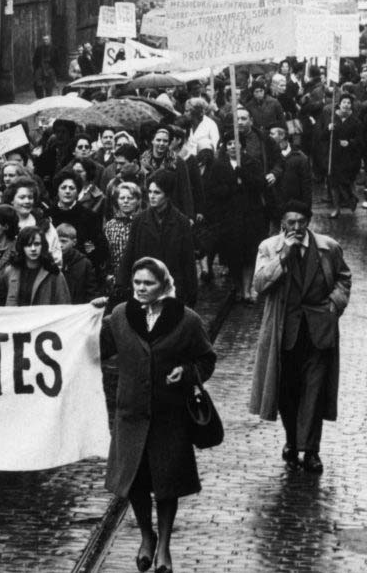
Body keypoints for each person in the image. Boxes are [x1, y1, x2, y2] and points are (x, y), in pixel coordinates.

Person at [102, 257, 216, 573]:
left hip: (170, 415)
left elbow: (207, 359)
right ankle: (145, 536)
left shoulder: (187, 320)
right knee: (136, 482)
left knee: (166, 483)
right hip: (131, 413)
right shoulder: (120, 316)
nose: (140, 288)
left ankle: (164, 545)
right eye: (137, 282)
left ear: (162, 284)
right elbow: (100, 349)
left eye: (148, 283)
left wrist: (188, 372)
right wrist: (90, 318)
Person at [249, 200, 351, 475]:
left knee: (314, 393)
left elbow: (344, 277)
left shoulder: (328, 247)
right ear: (282, 222)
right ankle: (292, 441)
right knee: (287, 391)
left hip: (318, 332)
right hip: (284, 332)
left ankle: (312, 451)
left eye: (300, 222)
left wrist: (334, 303)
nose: (295, 227)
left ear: (309, 221)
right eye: (290, 222)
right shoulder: (269, 247)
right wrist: (284, 257)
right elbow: (259, 284)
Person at [116, 170, 198, 307]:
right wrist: (120, 284)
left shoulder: (181, 222)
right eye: (150, 192)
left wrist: (191, 292)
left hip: (171, 288)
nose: (152, 196)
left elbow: (188, 260)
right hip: (144, 287)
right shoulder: (140, 220)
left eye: (157, 193)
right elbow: (129, 254)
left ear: (167, 195)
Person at [204, 132, 266, 302]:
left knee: (248, 254)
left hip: (250, 216)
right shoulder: (218, 165)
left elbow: (260, 184)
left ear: (242, 146)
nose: (232, 146)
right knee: (233, 255)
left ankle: (247, 290)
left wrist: (243, 175)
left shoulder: (252, 163)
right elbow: (211, 190)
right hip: (229, 218)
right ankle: (238, 287)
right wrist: (229, 187)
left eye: (235, 143)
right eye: (229, 143)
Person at [3, 226, 71, 306]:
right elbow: (0, 303)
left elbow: (64, 305)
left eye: (37, 244)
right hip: (16, 317)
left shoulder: (54, 274)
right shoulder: (10, 271)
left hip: (44, 317)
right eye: (28, 245)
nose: (33, 249)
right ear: (21, 247)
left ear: (43, 246)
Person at [326, 93, 361, 218]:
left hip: (349, 157)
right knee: (333, 183)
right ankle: (336, 208)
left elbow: (360, 139)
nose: (346, 105)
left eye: (348, 103)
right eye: (344, 102)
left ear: (351, 106)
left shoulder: (355, 121)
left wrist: (349, 143)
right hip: (334, 155)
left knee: (345, 181)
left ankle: (351, 198)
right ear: (339, 104)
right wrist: (328, 129)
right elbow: (323, 137)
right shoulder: (332, 119)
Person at [267, 124, 313, 218]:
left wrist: (306, 207)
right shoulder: (267, 156)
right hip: (273, 207)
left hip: (294, 207)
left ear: (282, 136)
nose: (269, 137)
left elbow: (306, 185)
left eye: (272, 134)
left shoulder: (300, 157)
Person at [32, 34, 58, 98]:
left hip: (50, 67)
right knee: (38, 84)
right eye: (44, 40)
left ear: (49, 40)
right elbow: (35, 59)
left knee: (49, 86)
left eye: (46, 39)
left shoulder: (54, 48)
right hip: (40, 67)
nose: (45, 41)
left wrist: (56, 70)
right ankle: (40, 98)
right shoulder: (39, 48)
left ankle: (48, 98)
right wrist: (35, 69)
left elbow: (57, 60)